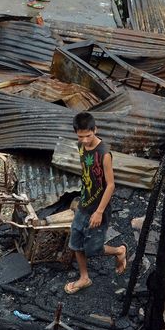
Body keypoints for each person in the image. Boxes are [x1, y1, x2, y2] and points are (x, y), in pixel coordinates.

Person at [64, 112, 127, 295]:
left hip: (99, 209)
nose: (84, 140)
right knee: (75, 243)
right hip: (84, 205)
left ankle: (119, 251)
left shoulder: (104, 153)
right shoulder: (81, 147)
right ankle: (84, 278)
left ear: (95, 130)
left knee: (93, 248)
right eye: (80, 136)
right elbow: (87, 173)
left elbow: (110, 185)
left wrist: (99, 211)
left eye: (88, 136)